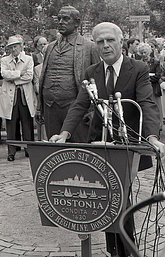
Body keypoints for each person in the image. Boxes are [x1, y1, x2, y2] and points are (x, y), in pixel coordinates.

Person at [49, 22, 165, 257]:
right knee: (105, 197)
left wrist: (152, 136)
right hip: (99, 144)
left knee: (120, 196)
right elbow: (80, 104)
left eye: (110, 40)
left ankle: (126, 249)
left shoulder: (139, 68)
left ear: (121, 41)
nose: (105, 46)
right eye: (100, 41)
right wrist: (64, 133)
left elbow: (147, 103)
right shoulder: (92, 72)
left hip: (128, 145)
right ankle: (115, 250)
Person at [36, 5, 100, 142]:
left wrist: (93, 110)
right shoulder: (50, 47)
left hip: (75, 107)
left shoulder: (89, 47)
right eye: (59, 19)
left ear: (77, 23)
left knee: (78, 151)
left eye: (65, 19)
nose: (60, 22)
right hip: (50, 106)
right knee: (54, 151)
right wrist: (39, 107)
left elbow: (97, 81)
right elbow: (43, 77)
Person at [0, 34, 37, 161]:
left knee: (27, 124)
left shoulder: (28, 59)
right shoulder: (4, 60)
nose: (13, 50)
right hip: (10, 95)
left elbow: (29, 76)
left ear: (21, 46)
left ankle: (29, 150)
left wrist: (14, 79)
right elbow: (4, 74)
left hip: (24, 95)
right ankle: (11, 152)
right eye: (11, 47)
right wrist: (19, 74)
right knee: (11, 124)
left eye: (15, 47)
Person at [138, 42, 163, 131]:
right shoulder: (139, 63)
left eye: (145, 52)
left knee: (156, 107)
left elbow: (158, 75)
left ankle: (158, 125)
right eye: (142, 53)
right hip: (144, 89)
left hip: (154, 89)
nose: (143, 55)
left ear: (149, 52)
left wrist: (146, 79)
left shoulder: (155, 62)